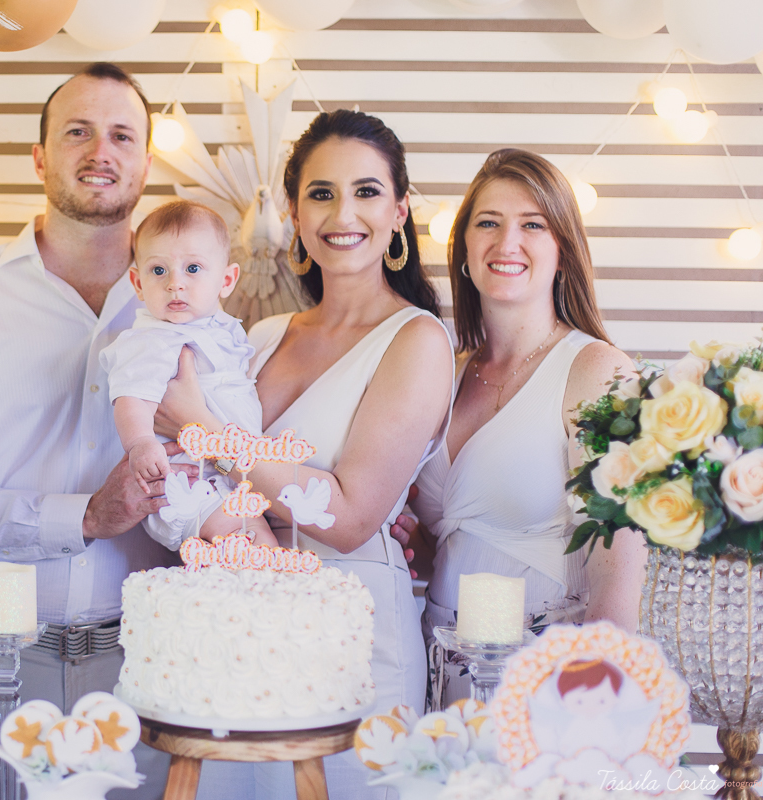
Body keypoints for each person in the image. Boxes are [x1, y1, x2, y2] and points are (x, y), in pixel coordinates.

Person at [155, 109, 455, 799]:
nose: (342, 214)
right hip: (235, 622)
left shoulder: (417, 341)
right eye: (321, 193)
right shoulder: (261, 335)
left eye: (366, 192)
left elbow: (346, 519)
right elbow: (193, 473)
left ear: (400, 211)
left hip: (352, 633)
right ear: (294, 212)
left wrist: (204, 427)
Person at [0, 63, 178, 800]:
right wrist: (84, 517)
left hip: (145, 661)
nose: (101, 151)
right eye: (77, 132)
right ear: (39, 156)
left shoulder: (197, 309)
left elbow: (225, 461)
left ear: (147, 162)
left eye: (122, 135)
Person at [392, 148, 646, 709]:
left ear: (563, 251)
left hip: (549, 683)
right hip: (441, 677)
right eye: (488, 223)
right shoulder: (445, 372)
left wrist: (589, 707)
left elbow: (618, 573)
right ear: (463, 249)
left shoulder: (597, 371)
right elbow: (467, 540)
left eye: (533, 225)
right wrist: (420, 546)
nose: (507, 242)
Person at [99, 199, 275, 547]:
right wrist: (140, 443)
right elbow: (131, 398)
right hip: (193, 482)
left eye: (192, 268)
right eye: (158, 270)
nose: (175, 283)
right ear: (137, 282)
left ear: (226, 280)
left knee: (237, 561)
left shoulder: (221, 330)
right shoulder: (153, 339)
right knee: (257, 544)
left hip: (225, 472)